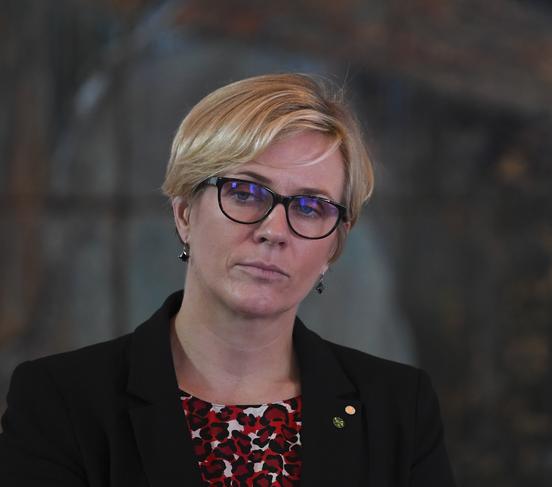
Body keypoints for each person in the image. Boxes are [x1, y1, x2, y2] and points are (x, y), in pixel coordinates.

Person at [0, 73, 456, 486]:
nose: (273, 231)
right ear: (184, 213)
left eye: (310, 207)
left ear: (334, 246)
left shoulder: (398, 408)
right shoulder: (61, 401)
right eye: (244, 193)